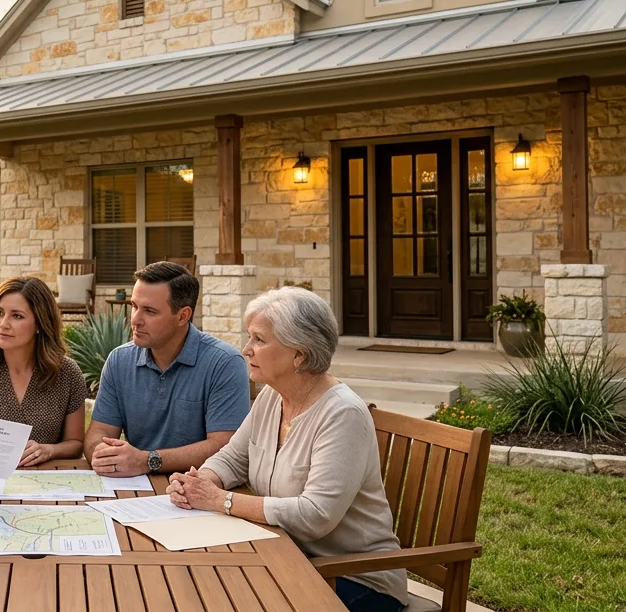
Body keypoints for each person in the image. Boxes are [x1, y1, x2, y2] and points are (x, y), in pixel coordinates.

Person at [165, 285, 408, 612]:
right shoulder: (272, 396)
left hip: (353, 577)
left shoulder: (342, 414)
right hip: (285, 557)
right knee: (194, 588)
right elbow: (234, 458)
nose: (246, 349)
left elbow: (315, 516)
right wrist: (201, 481)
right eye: (249, 337)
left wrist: (219, 500)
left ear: (300, 355)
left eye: (259, 340)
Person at [84, 261, 250, 477]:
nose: (135, 320)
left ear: (183, 316)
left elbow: (226, 446)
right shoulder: (119, 360)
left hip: (198, 488)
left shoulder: (224, 363)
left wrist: (148, 460)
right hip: (132, 488)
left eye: (149, 311)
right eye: (134, 306)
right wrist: (103, 454)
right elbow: (100, 431)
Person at [0, 276, 88, 467]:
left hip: (46, 484)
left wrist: (49, 450)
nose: (3, 324)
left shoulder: (67, 373)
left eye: (17, 316)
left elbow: (76, 444)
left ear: (40, 324)